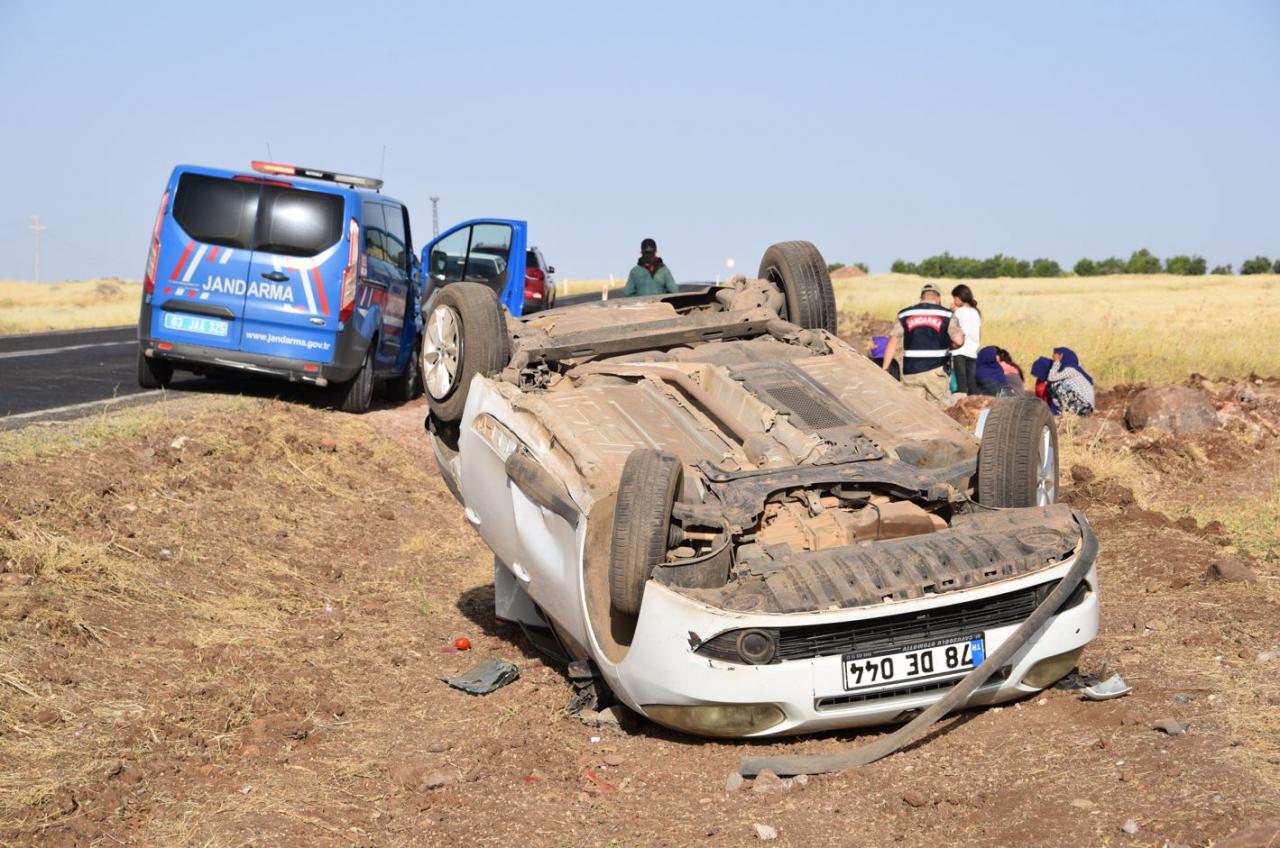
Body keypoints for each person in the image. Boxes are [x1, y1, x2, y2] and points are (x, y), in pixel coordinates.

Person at [881, 283, 964, 403]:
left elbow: (892, 341)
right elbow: (959, 341)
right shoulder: (946, 314)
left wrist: (885, 368)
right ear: (938, 298)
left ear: (921, 297)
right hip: (937, 371)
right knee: (938, 410)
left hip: (911, 371)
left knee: (914, 408)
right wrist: (949, 346)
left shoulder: (905, 314)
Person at [949, 284, 982, 395]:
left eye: (954, 298)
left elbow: (953, 330)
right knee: (972, 384)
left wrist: (952, 311)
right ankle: (973, 403)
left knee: (961, 385)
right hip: (972, 351)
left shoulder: (958, 312)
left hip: (959, 351)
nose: (954, 301)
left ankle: (961, 403)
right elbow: (979, 332)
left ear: (960, 297)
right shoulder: (976, 312)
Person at [1047, 346, 1095, 415]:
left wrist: (1056, 362)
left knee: (1055, 384)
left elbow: (1051, 378)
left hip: (1084, 406)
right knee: (1058, 385)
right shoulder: (1073, 368)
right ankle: (1061, 410)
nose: (1053, 358)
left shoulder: (1070, 369)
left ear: (1061, 356)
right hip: (1085, 405)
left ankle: (1059, 411)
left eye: (1055, 356)